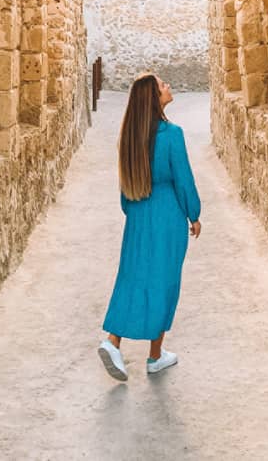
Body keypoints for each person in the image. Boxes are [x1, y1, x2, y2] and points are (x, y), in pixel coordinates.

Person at [98, 73, 202, 381]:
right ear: (154, 99)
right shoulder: (172, 134)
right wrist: (194, 214)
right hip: (168, 217)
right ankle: (155, 356)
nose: (168, 86)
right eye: (162, 86)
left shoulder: (129, 138)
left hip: (138, 215)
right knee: (165, 282)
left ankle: (113, 341)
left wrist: (134, 212)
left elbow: (124, 192)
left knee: (132, 277)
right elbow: (183, 179)